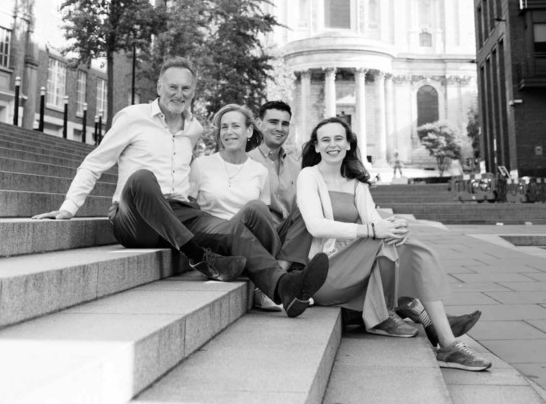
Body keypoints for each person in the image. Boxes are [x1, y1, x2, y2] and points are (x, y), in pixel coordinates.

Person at [32, 58, 330, 318]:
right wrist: (69, 207)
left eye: (186, 89)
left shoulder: (194, 128)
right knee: (142, 178)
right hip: (135, 216)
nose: (179, 94)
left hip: (178, 213)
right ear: (159, 87)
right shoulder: (133, 117)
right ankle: (200, 256)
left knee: (235, 229)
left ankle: (284, 287)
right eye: (172, 87)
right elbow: (95, 162)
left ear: (193, 92)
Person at [286, 117, 489, 371]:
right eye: (325, 140)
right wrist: (373, 230)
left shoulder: (357, 183)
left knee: (414, 249)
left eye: (339, 138)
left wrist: (396, 229)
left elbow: (374, 220)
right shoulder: (309, 176)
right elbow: (316, 225)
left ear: (349, 144)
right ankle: (420, 321)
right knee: (382, 239)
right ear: (316, 147)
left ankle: (448, 346)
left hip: (356, 273)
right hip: (325, 275)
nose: (332, 145)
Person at [189, 104, 282, 311]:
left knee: (257, 208)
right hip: (213, 239)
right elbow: (188, 207)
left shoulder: (259, 171)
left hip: (246, 240)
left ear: (248, 131)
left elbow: (262, 219)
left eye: (235, 126)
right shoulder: (201, 165)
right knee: (255, 208)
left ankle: (264, 287)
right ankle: (273, 283)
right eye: (224, 127)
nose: (229, 132)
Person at [248, 100, 300, 226]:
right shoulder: (247, 162)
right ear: (259, 123)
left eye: (285, 124)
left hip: (291, 236)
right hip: (257, 234)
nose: (279, 128)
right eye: (273, 122)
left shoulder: (296, 167)